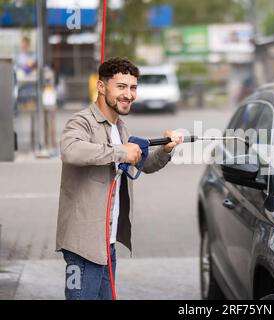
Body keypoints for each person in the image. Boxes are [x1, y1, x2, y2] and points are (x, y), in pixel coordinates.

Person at [56, 57, 183, 300]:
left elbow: (144, 164)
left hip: (108, 244)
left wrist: (166, 150)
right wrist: (120, 151)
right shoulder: (82, 121)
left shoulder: (121, 128)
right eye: (121, 87)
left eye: (133, 87)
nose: (129, 94)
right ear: (102, 87)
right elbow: (70, 150)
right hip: (84, 248)